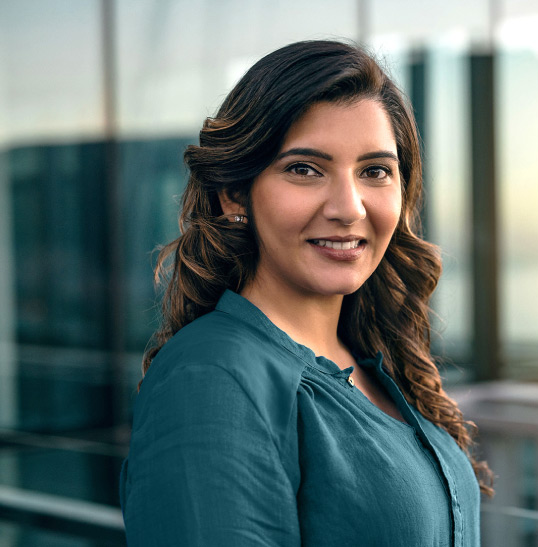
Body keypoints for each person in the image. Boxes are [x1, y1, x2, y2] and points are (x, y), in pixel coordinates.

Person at [119, 39, 493, 546]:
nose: (349, 207)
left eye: (375, 171)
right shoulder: (211, 378)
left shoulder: (373, 361)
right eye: (305, 169)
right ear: (234, 194)